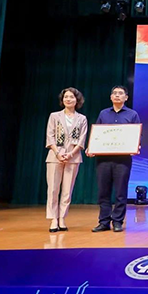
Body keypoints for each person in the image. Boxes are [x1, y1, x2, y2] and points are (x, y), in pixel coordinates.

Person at [90, 85, 141, 233]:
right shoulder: (103, 113)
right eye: (115, 93)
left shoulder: (132, 115)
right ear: (111, 97)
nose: (117, 95)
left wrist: (136, 146)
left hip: (123, 159)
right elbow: (97, 135)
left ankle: (118, 221)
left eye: (120, 93)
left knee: (120, 192)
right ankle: (104, 222)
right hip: (103, 159)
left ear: (126, 97)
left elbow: (137, 135)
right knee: (103, 192)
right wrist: (91, 147)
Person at [45, 87, 88, 232]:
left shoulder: (82, 118)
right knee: (53, 189)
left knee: (67, 190)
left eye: (71, 97)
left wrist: (71, 154)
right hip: (55, 156)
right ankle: (53, 219)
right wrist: (58, 153)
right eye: (66, 97)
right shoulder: (54, 116)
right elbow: (50, 136)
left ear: (77, 100)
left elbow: (82, 139)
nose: (68, 99)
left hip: (73, 157)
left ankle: (62, 217)